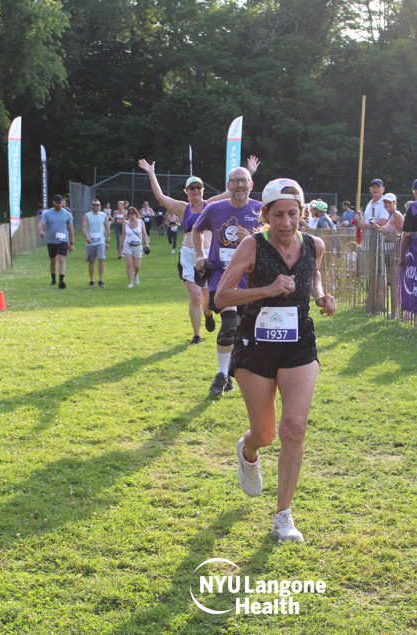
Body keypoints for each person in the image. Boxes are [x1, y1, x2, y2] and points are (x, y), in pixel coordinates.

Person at [215, 178, 336, 542]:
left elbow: (313, 275)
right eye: (279, 214)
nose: (286, 222)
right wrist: (267, 289)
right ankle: (249, 450)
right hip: (256, 344)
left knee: (294, 427)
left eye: (293, 214)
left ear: (302, 213)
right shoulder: (252, 245)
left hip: (299, 343)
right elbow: (222, 297)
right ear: (266, 214)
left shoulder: (315, 245)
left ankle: (283, 515)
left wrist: (321, 296)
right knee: (265, 433)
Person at [138, 158, 237, 344]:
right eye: (192, 188)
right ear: (186, 191)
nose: (195, 190)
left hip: (208, 255)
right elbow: (160, 197)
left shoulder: (210, 205)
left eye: (198, 187)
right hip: (189, 255)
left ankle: (208, 313)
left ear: (202, 190)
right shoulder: (182, 208)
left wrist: (248, 173)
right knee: (195, 295)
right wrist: (151, 173)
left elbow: (231, 192)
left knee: (208, 297)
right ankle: (196, 335)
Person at [192, 165, 264, 394]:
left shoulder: (261, 209)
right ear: (228, 185)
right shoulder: (214, 209)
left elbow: (271, 243)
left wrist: (252, 238)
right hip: (221, 278)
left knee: (241, 331)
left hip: (250, 281)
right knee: (230, 324)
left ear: (251, 184)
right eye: (235, 181)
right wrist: (200, 255)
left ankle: (230, 370)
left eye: (244, 181)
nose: (240, 185)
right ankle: (221, 375)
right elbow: (196, 230)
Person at [38, 194, 74, 288]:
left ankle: (61, 281)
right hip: (51, 241)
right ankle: (53, 279)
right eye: (57, 203)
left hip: (63, 240)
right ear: (53, 203)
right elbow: (41, 224)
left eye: (60, 202)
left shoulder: (67, 214)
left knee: (61, 259)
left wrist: (71, 243)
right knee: (53, 260)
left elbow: (71, 229)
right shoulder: (48, 213)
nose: (59, 204)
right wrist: (41, 230)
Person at [82, 199, 110, 286]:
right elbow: (83, 228)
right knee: (91, 261)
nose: (96, 206)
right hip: (91, 242)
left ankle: (100, 280)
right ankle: (91, 280)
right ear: (91, 206)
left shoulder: (103, 215)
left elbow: (107, 229)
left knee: (101, 259)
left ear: (100, 206)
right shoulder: (87, 215)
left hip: (101, 241)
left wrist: (107, 241)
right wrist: (87, 237)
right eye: (94, 205)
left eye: (97, 205)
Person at [121, 206, 148, 287]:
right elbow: (123, 236)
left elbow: (144, 233)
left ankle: (136, 274)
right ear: (128, 215)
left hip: (138, 245)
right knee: (129, 264)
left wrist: (147, 244)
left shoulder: (141, 222)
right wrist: (120, 248)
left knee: (137, 266)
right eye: (131, 213)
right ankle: (130, 282)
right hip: (128, 245)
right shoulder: (125, 223)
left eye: (134, 213)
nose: (132, 214)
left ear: (136, 214)